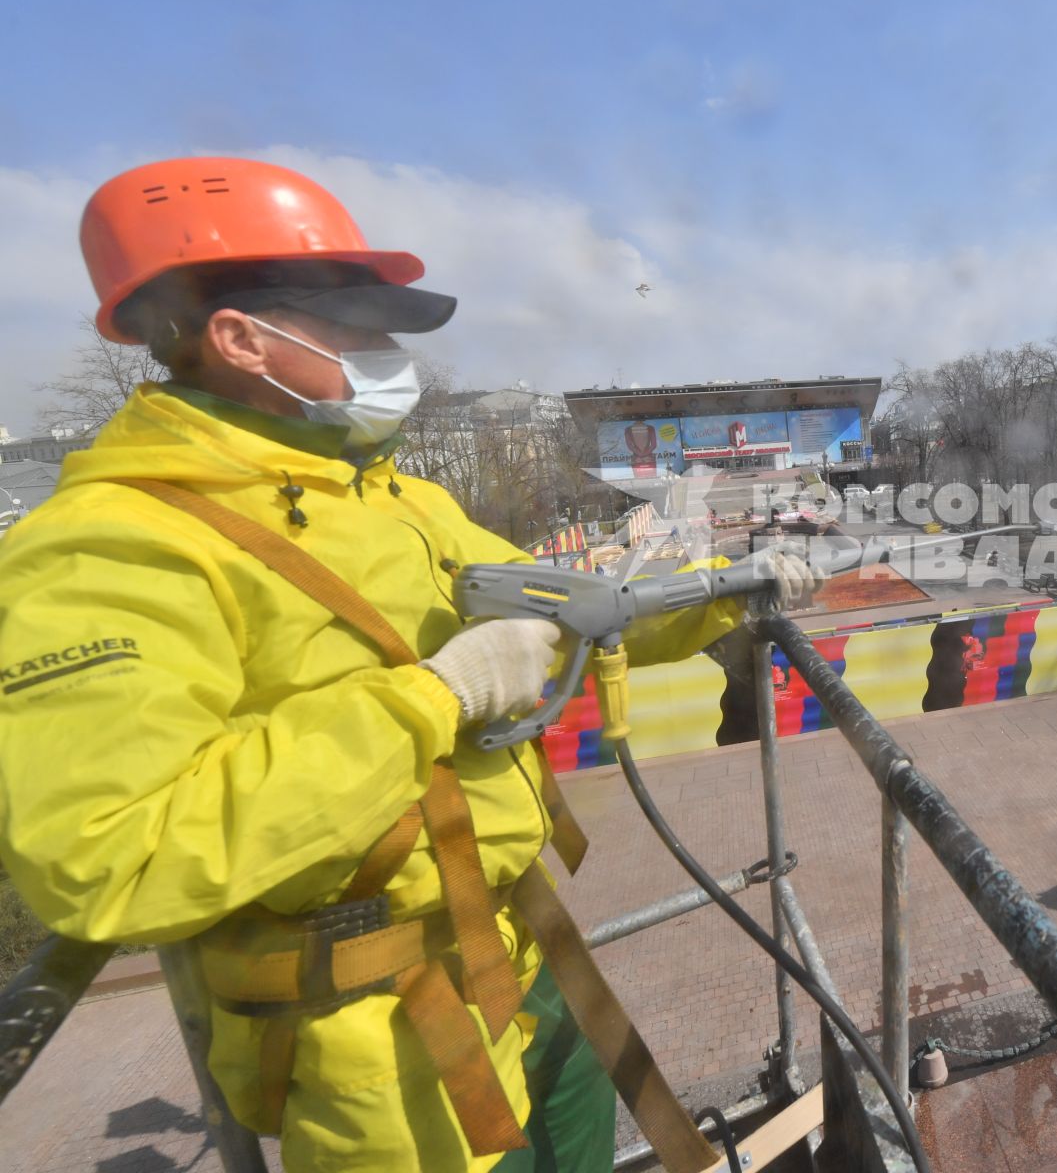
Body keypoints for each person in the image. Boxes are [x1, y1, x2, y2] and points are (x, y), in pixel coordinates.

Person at [0, 157, 822, 1173]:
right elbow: (110, 853)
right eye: (356, 325)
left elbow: (570, 617)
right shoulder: (107, 548)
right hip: (378, 1036)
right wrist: (437, 695)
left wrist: (725, 588)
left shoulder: (393, 499)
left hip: (522, 957)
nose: (391, 356)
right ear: (241, 338)